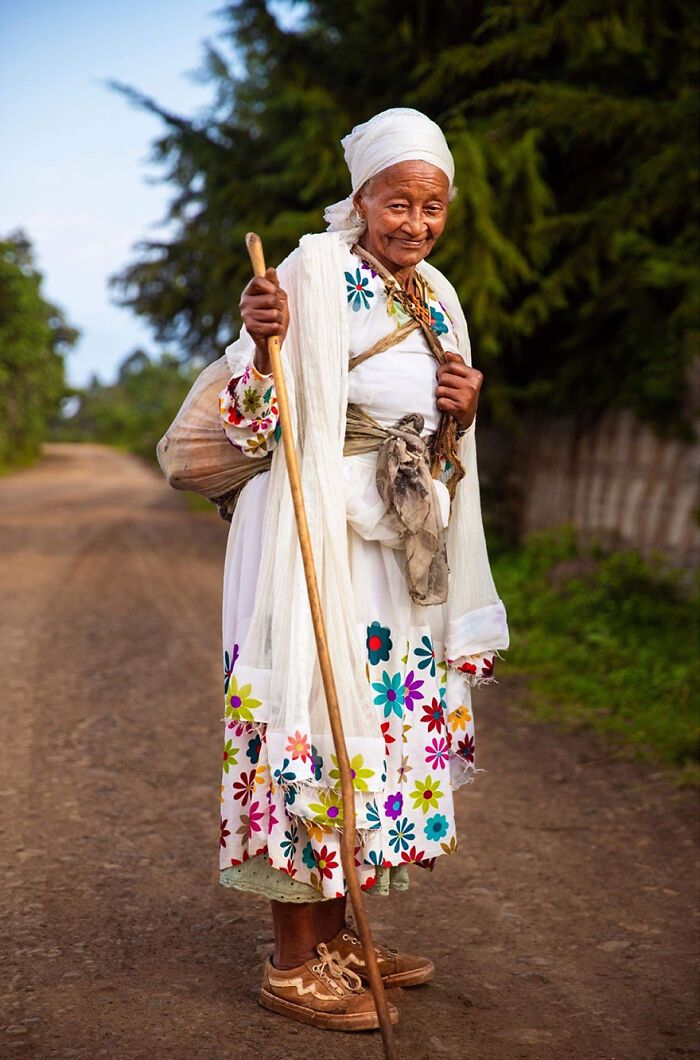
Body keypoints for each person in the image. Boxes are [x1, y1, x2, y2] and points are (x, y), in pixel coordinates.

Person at [216, 107, 509, 1032]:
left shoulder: (439, 295)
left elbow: (439, 444)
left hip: (394, 554)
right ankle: (292, 966)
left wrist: (461, 411)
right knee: (312, 717)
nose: (415, 221)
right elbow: (250, 422)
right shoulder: (311, 271)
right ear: (363, 196)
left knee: (369, 729)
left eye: (433, 206)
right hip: (311, 545)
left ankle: (340, 937)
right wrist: (259, 337)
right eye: (398, 201)